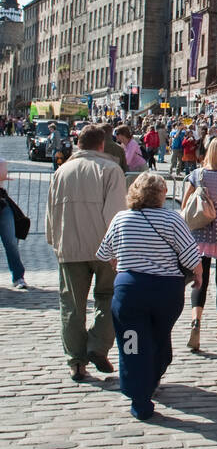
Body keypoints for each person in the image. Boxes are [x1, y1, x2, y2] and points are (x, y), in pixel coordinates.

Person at [96, 172, 201, 420]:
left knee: (132, 344)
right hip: (166, 292)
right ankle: (151, 376)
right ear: (161, 194)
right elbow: (191, 258)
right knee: (158, 336)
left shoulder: (121, 219)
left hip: (130, 292)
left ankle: (139, 394)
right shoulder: (173, 220)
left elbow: (105, 253)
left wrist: (122, 260)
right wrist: (198, 277)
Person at [45, 125, 128, 377]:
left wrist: (54, 241)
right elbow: (115, 213)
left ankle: (76, 361)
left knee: (71, 304)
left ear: (77, 144)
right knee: (110, 297)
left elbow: (51, 211)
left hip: (70, 246)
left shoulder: (61, 171)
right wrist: (117, 248)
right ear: (101, 145)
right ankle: (98, 345)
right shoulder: (111, 170)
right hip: (104, 248)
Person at [182, 136, 217, 351]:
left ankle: (196, 321)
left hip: (199, 236)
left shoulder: (197, 175)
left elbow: (185, 205)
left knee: (199, 281)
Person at [0, 157, 29, 291]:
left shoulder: (1, 161)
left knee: (11, 241)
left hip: (2, 205)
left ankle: (18, 277)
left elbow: (2, 171)